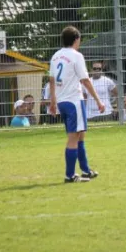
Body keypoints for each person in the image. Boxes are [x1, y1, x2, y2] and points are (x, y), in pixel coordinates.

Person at [49, 26, 105, 183]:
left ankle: (86, 170)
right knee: (73, 138)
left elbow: (52, 81)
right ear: (76, 39)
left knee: (80, 135)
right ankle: (70, 175)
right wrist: (98, 100)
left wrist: (53, 102)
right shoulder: (76, 56)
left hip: (62, 102)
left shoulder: (55, 56)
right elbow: (85, 80)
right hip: (74, 101)